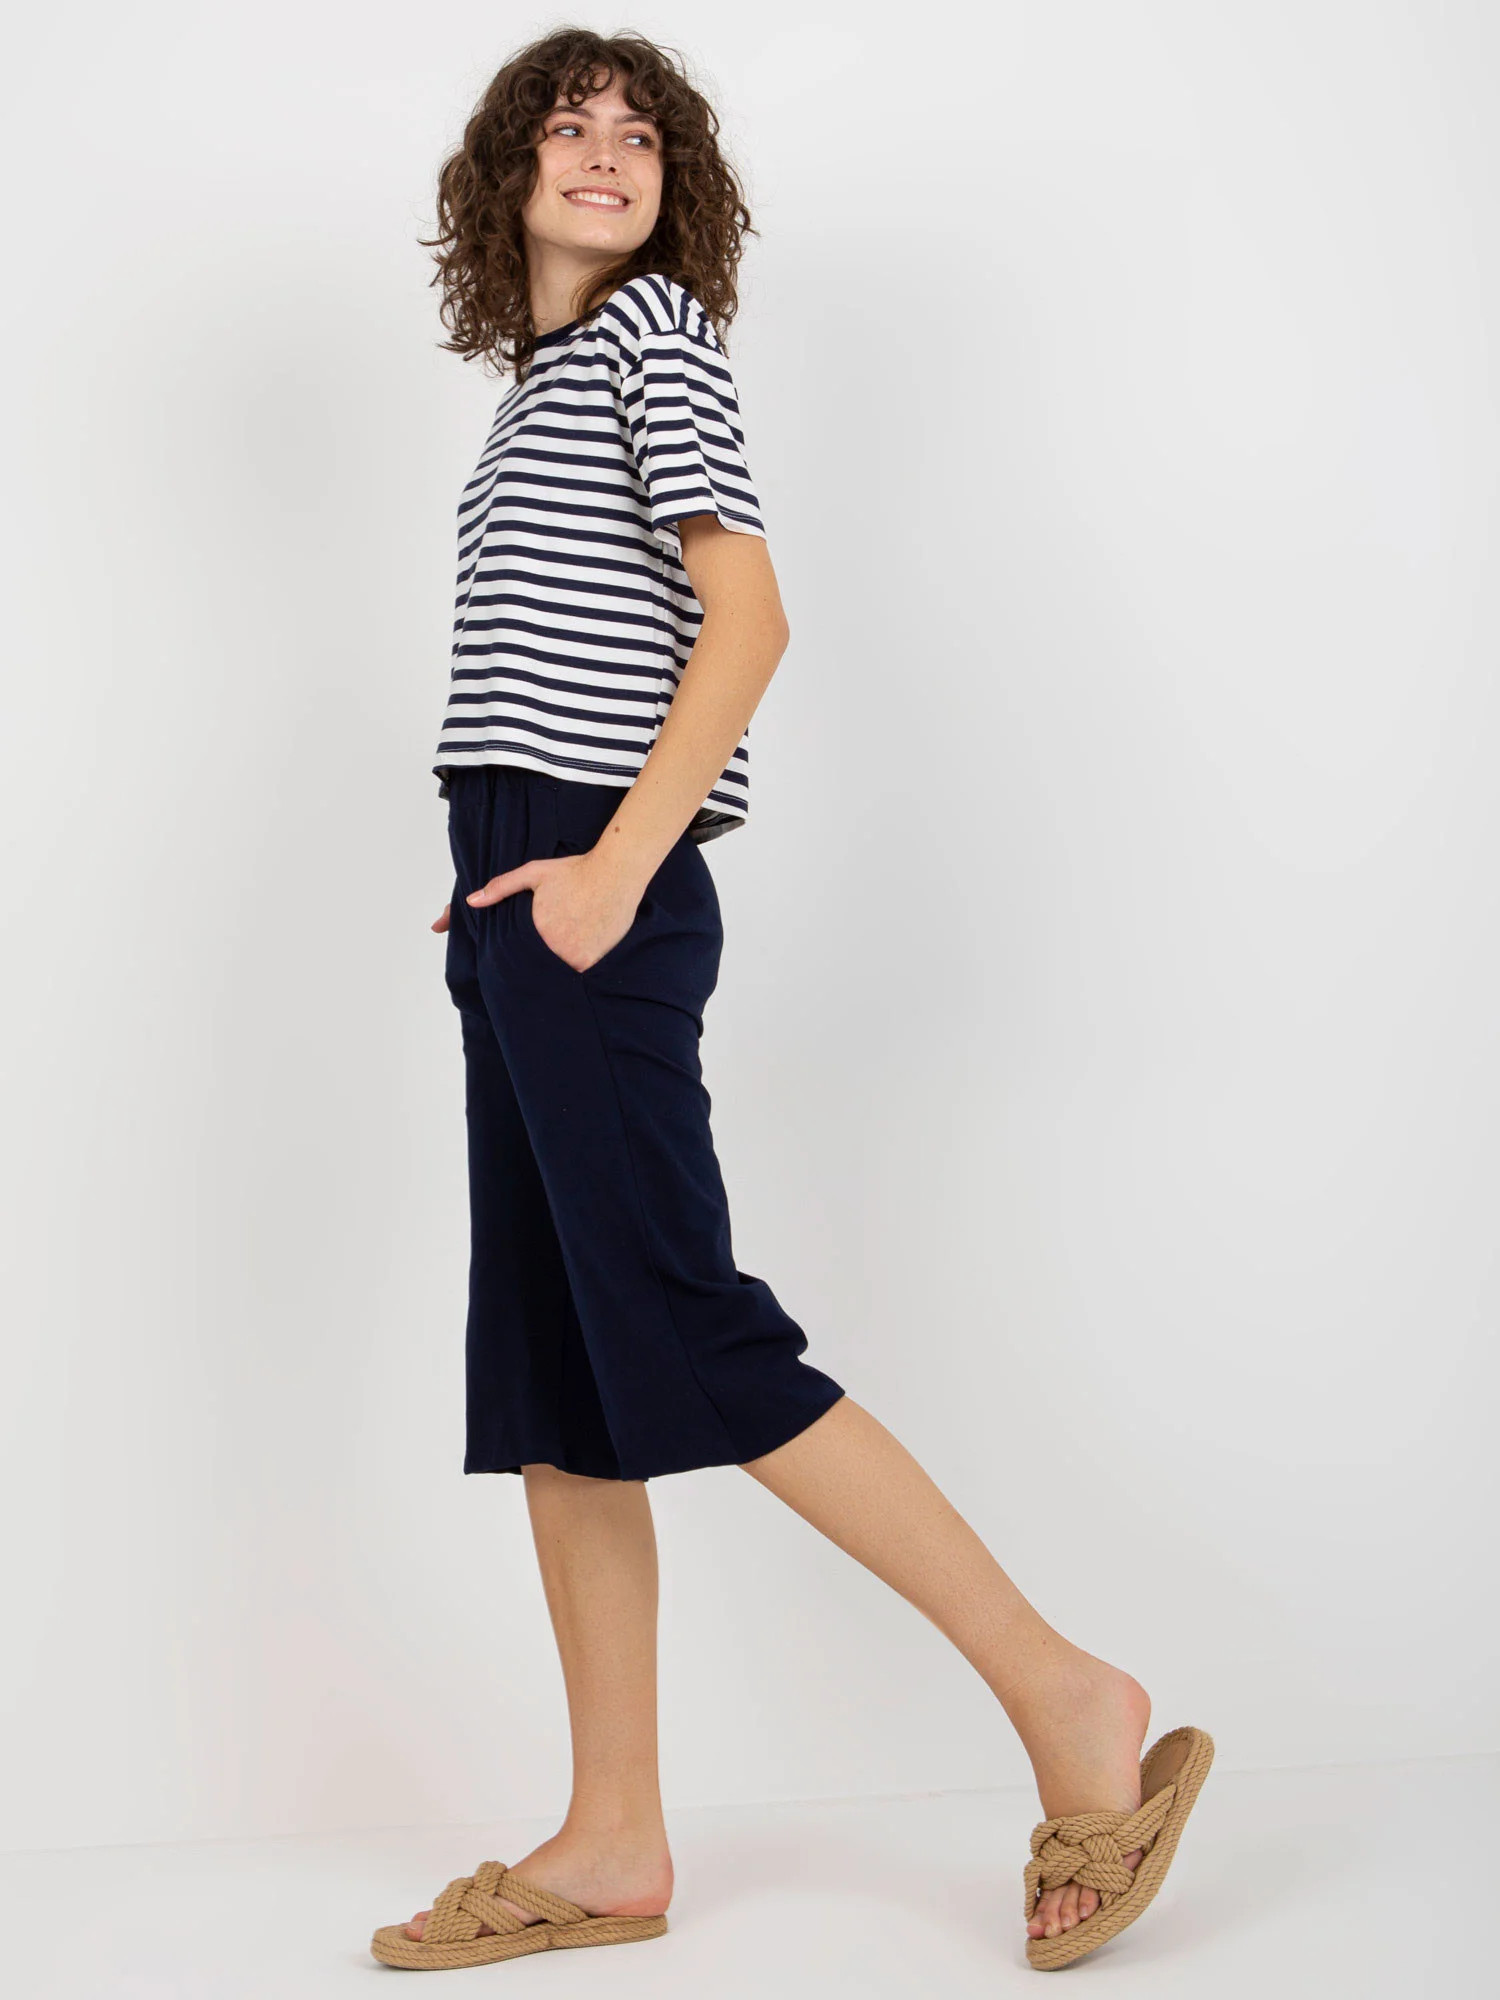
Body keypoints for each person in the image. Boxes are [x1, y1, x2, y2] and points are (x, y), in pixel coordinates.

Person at [370, 27, 1212, 1977]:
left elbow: (746, 620)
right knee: (556, 1381)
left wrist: (606, 870)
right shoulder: (537, 386)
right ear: (506, 177)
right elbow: (560, 659)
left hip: (596, 887)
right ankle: (613, 1839)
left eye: (639, 133)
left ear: (678, 185)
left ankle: (1067, 1697)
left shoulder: (654, 334)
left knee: (692, 1330)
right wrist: (505, 896)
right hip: (522, 897)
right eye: (566, 127)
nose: (605, 151)